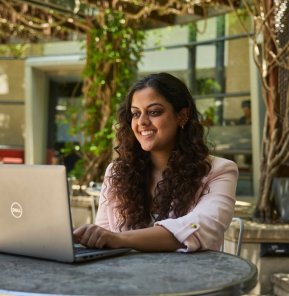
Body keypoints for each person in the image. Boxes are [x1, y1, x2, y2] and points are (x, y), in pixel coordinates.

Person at [73, 73, 238, 253]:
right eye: (136, 113)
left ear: (183, 115)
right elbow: (105, 233)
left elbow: (200, 228)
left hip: (191, 278)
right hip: (126, 278)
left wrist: (117, 238)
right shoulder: (117, 171)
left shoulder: (219, 171)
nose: (142, 122)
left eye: (154, 112)